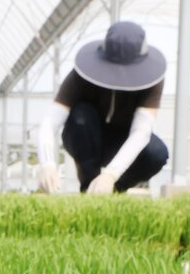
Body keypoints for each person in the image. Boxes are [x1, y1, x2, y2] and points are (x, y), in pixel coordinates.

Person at [36, 21, 170, 195]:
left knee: (156, 153)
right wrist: (47, 164)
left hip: (122, 140)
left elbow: (141, 132)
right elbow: (50, 121)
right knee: (82, 114)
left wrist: (111, 175)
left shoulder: (153, 81)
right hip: (84, 136)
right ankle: (88, 187)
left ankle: (113, 191)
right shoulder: (80, 75)